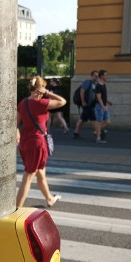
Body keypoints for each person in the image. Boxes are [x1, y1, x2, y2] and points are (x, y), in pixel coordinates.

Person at [16, 76, 66, 209]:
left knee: (41, 173)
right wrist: (48, 93)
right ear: (41, 88)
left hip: (25, 143)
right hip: (37, 144)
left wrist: (17, 132)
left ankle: (49, 198)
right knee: (28, 176)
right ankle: (17, 208)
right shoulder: (41, 103)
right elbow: (62, 101)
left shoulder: (23, 103)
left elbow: (15, 123)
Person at [73, 70, 99, 139]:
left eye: (97, 76)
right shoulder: (87, 82)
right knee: (93, 118)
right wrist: (83, 101)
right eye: (95, 76)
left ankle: (76, 132)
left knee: (82, 118)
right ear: (91, 76)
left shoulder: (95, 84)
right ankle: (98, 134)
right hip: (86, 104)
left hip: (90, 104)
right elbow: (82, 91)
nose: (96, 77)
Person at [94, 69, 113, 143]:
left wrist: (108, 102)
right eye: (106, 75)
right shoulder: (98, 85)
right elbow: (98, 97)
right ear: (101, 76)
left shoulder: (103, 84)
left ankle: (96, 132)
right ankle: (98, 138)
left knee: (108, 121)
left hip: (104, 105)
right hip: (100, 106)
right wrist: (103, 107)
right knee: (99, 121)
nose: (107, 76)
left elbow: (103, 97)